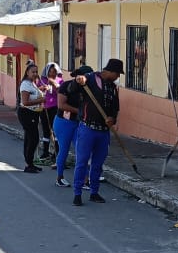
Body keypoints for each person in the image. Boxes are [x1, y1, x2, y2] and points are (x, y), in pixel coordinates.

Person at [71, 59, 122, 206]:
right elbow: (72, 89)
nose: (118, 77)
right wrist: (78, 80)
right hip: (87, 129)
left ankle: (94, 192)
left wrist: (112, 119)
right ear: (111, 71)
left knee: (97, 164)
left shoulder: (113, 88)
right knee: (82, 162)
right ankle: (77, 193)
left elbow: (115, 109)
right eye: (117, 74)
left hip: (103, 132)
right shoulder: (90, 79)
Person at [53, 65, 92, 187]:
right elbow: (61, 105)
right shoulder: (66, 86)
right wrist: (79, 111)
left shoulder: (88, 88)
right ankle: (60, 177)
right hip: (63, 122)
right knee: (64, 149)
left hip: (78, 123)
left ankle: (85, 180)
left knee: (82, 150)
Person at [17, 62, 46, 173]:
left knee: (29, 138)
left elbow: (34, 94)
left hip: (33, 113)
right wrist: (41, 100)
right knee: (34, 138)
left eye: (36, 72)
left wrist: (41, 89)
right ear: (27, 72)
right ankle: (28, 163)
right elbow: (25, 102)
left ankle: (30, 163)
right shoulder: (25, 84)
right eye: (32, 72)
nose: (35, 74)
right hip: (26, 113)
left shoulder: (32, 83)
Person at [36, 62, 62, 164]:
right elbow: (36, 90)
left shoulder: (60, 80)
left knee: (55, 130)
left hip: (55, 108)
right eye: (50, 71)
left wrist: (53, 84)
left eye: (54, 71)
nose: (52, 74)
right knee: (45, 130)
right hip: (44, 108)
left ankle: (56, 152)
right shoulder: (42, 80)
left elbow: (61, 92)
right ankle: (45, 152)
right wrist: (42, 88)